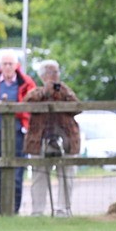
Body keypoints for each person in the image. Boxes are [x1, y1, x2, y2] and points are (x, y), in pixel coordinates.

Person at [23, 61, 81, 217]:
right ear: (42, 76)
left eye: (56, 72)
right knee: (39, 175)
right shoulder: (36, 92)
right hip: (39, 139)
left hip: (66, 139)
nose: (54, 76)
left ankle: (64, 209)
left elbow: (77, 107)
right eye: (50, 73)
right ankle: (38, 211)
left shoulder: (65, 91)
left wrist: (63, 91)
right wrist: (45, 92)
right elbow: (26, 103)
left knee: (67, 174)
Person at [0, 51, 36, 215]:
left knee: (16, 173)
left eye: (11, 64)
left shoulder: (27, 83)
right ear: (0, 66)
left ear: (16, 65)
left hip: (18, 132)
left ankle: (13, 210)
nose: (8, 67)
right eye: (5, 64)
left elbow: (32, 105)